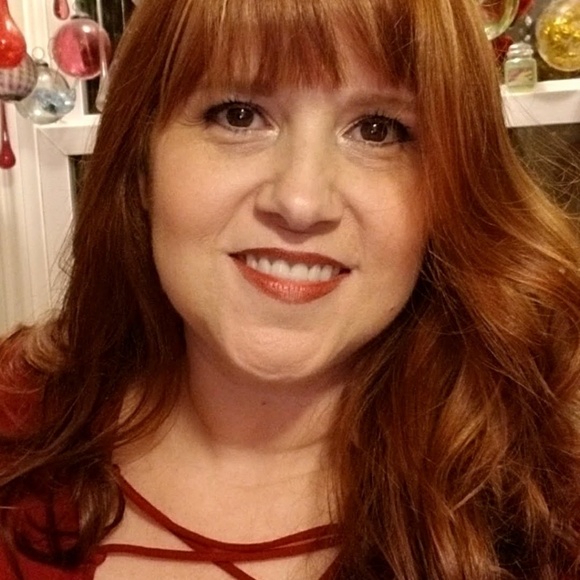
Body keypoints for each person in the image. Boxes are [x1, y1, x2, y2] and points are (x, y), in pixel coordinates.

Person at [1, 0, 580, 577]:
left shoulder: (547, 502)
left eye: (378, 130)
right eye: (238, 116)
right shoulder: (16, 423)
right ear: (143, 163)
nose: (301, 202)